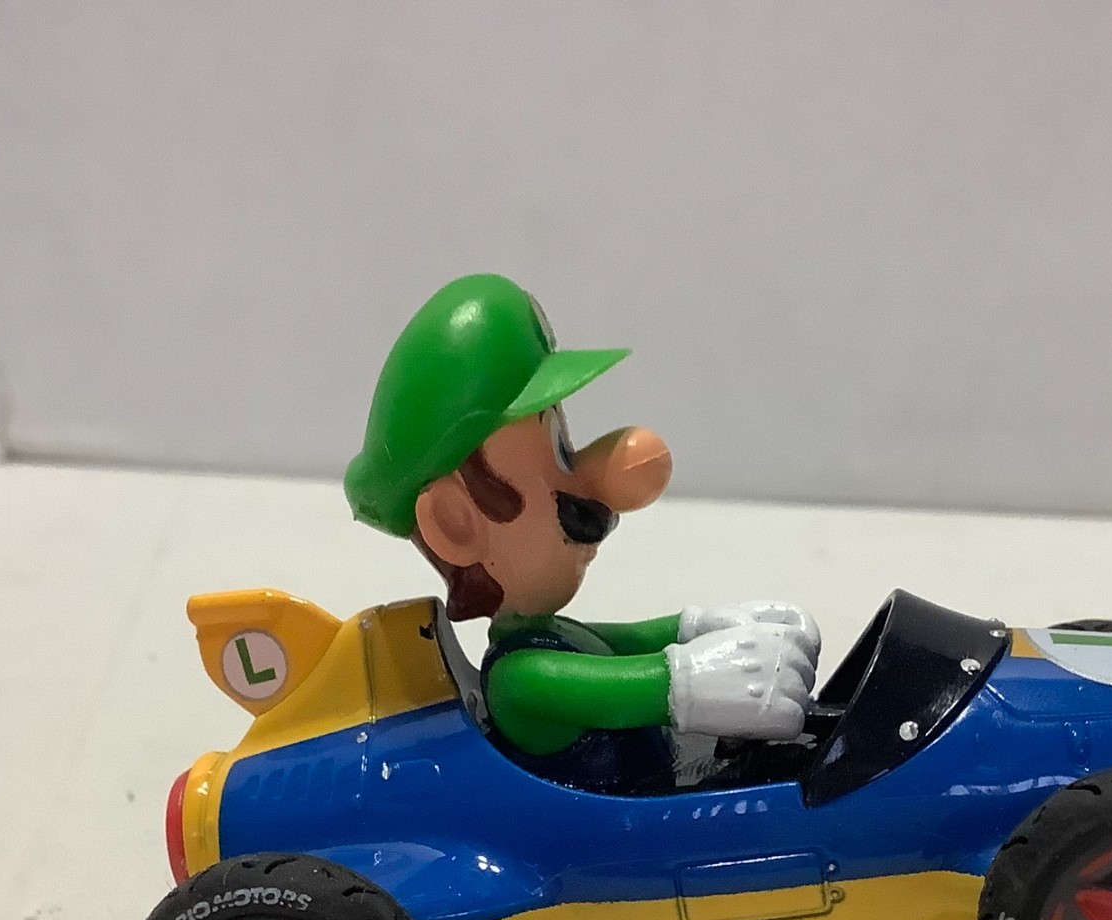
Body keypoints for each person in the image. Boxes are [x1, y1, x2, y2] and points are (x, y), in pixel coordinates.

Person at [344, 274, 820, 793]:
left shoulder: (548, 634)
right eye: (558, 456)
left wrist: (699, 626)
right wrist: (698, 679)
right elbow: (622, 690)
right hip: (628, 827)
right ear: (457, 524)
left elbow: (623, 641)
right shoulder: (519, 679)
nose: (603, 492)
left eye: (565, 442)